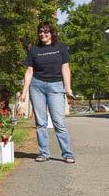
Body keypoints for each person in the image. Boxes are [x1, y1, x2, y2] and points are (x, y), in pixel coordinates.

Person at [19, 21, 75, 163]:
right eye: (40, 32)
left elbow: (65, 69)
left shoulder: (61, 47)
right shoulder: (34, 50)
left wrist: (68, 89)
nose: (42, 34)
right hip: (37, 87)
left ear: (51, 33)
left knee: (59, 122)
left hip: (56, 86)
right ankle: (44, 153)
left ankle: (67, 153)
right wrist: (24, 93)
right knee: (40, 122)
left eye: (46, 32)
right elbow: (29, 71)